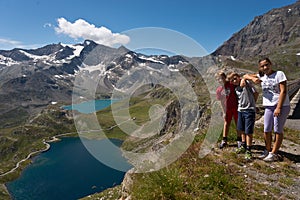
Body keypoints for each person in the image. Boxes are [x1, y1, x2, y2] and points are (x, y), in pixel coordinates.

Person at [243, 57, 290, 162]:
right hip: (268, 106)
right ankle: (268, 150)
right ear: (260, 68)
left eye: (266, 64)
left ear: (270, 64)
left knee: (278, 130)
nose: (265, 67)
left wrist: (278, 107)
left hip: (281, 106)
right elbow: (246, 75)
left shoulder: (279, 74)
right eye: (262, 66)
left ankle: (274, 153)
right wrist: (250, 78)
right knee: (266, 129)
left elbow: (283, 91)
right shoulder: (262, 76)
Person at [228, 72, 259, 160]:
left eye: (235, 78)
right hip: (240, 110)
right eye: (232, 80)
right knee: (241, 129)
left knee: (248, 131)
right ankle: (243, 145)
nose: (234, 81)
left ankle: (249, 150)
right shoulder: (236, 88)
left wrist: (253, 104)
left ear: (238, 77)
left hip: (249, 110)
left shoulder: (247, 83)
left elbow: (256, 93)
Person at [215, 71, 241, 149]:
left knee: (238, 123)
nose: (220, 80)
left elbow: (234, 74)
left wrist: (230, 77)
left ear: (224, 78)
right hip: (227, 109)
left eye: (222, 78)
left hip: (235, 107)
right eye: (218, 79)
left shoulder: (230, 84)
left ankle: (239, 139)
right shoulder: (219, 90)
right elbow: (221, 102)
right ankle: (224, 140)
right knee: (226, 123)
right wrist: (224, 112)